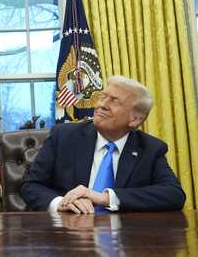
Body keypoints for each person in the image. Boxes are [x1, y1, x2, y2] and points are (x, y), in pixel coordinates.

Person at [21, 75, 185, 214]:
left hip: (126, 240)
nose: (101, 105)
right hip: (68, 235)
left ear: (135, 119)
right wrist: (61, 203)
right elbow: (31, 186)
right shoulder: (63, 136)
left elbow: (174, 194)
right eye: (102, 97)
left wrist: (106, 198)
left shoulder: (150, 149)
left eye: (114, 101)